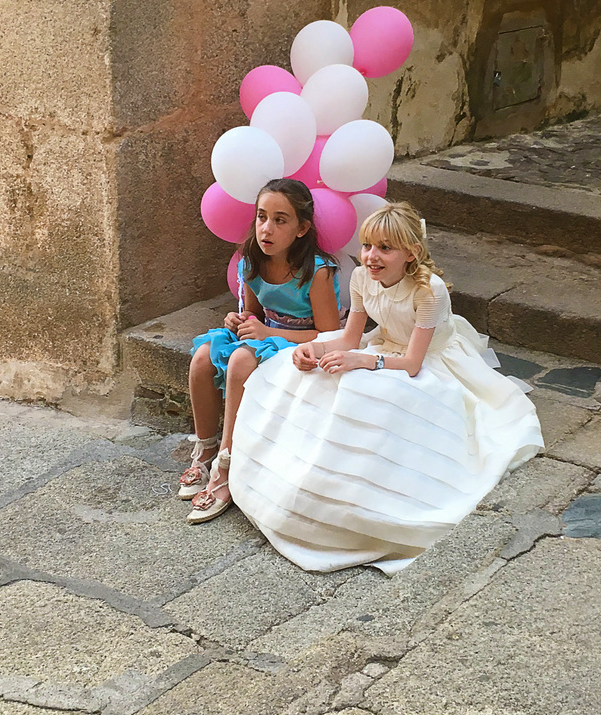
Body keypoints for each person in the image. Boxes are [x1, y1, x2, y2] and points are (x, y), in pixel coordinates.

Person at [227, 202, 543, 573]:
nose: (371, 257)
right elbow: (350, 337)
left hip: (428, 360)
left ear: (411, 253)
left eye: (385, 249)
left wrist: (363, 360)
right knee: (312, 375)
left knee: (376, 395)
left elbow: (412, 364)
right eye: (367, 246)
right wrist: (315, 347)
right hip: (383, 345)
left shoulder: (430, 291)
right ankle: (303, 488)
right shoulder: (362, 278)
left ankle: (370, 500)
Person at [182, 178, 343, 524]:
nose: (266, 228)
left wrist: (268, 331)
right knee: (202, 357)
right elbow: (253, 314)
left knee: (240, 359)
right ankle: (206, 447)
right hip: (264, 337)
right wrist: (238, 320)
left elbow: (331, 333)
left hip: (302, 345)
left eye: (280, 220)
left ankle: (228, 464)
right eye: (261, 217)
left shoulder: (317, 272)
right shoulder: (251, 261)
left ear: (302, 229)